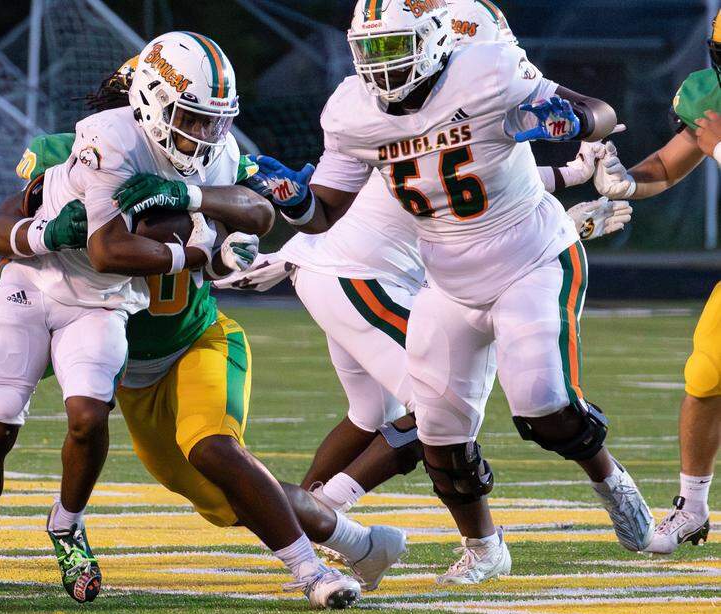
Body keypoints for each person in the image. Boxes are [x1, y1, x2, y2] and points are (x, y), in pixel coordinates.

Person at [0, 49, 407, 609]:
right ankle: (361, 543)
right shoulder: (76, 154)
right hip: (131, 369)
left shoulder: (206, 157)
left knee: (215, 450)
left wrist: (195, 205)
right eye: (190, 116)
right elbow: (15, 251)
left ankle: (313, 574)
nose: (198, 132)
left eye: (206, 119)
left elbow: (255, 208)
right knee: (233, 501)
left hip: (195, 338)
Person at [269, 0, 652, 584]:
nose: (381, 66)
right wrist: (292, 201)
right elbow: (323, 213)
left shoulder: (487, 70)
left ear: (435, 40)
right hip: (445, 283)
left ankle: (611, 481)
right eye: (370, 50)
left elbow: (599, 111)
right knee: (441, 436)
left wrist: (572, 124)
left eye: (395, 48)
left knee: (543, 405)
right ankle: (484, 547)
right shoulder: (352, 110)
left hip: (530, 259)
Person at [592, 8, 721, 554]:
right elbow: (667, 167)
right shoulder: (708, 96)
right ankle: (691, 506)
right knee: (706, 375)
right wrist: (626, 182)